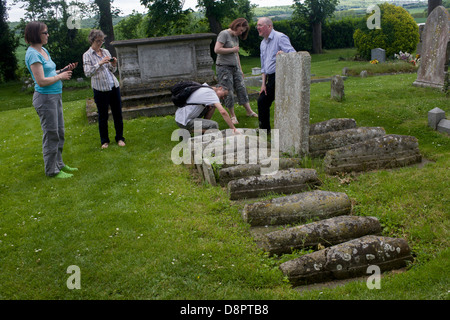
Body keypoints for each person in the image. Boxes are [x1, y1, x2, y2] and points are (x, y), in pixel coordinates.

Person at [24, 21, 78, 179]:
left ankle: (59, 164)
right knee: (51, 134)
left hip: (55, 95)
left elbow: (50, 72)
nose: (48, 35)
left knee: (59, 132)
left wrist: (64, 70)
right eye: (45, 33)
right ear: (36, 35)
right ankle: (51, 170)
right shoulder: (33, 54)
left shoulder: (43, 50)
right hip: (45, 98)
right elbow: (41, 81)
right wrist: (60, 76)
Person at [83, 29, 125, 149]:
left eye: (102, 41)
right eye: (98, 41)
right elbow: (87, 73)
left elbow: (112, 71)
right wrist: (99, 63)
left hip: (113, 86)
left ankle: (120, 138)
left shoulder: (105, 51)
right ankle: (104, 141)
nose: (100, 43)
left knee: (118, 114)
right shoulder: (87, 55)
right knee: (103, 116)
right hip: (100, 89)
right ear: (92, 40)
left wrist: (113, 64)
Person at [214, 18, 258, 125]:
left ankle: (249, 111)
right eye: (241, 30)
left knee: (241, 88)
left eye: (243, 31)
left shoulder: (235, 37)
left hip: (235, 68)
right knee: (228, 91)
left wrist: (240, 69)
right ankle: (233, 116)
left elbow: (236, 54)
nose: (241, 33)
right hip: (223, 67)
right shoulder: (224, 34)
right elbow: (217, 49)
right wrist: (232, 50)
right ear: (237, 25)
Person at [256, 17, 296, 134]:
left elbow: (293, 53)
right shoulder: (262, 43)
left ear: (269, 26)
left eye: (260, 25)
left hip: (281, 75)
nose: (258, 28)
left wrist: (284, 54)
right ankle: (265, 129)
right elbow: (264, 66)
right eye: (257, 25)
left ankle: (265, 130)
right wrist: (263, 84)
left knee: (264, 101)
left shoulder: (280, 37)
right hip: (270, 78)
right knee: (262, 100)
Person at [175, 83, 239, 135]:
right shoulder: (211, 94)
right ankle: (187, 131)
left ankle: (201, 128)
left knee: (212, 106)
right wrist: (233, 128)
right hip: (185, 121)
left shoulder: (205, 87)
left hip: (181, 117)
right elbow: (223, 112)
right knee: (214, 126)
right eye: (224, 95)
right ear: (220, 88)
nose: (223, 98)